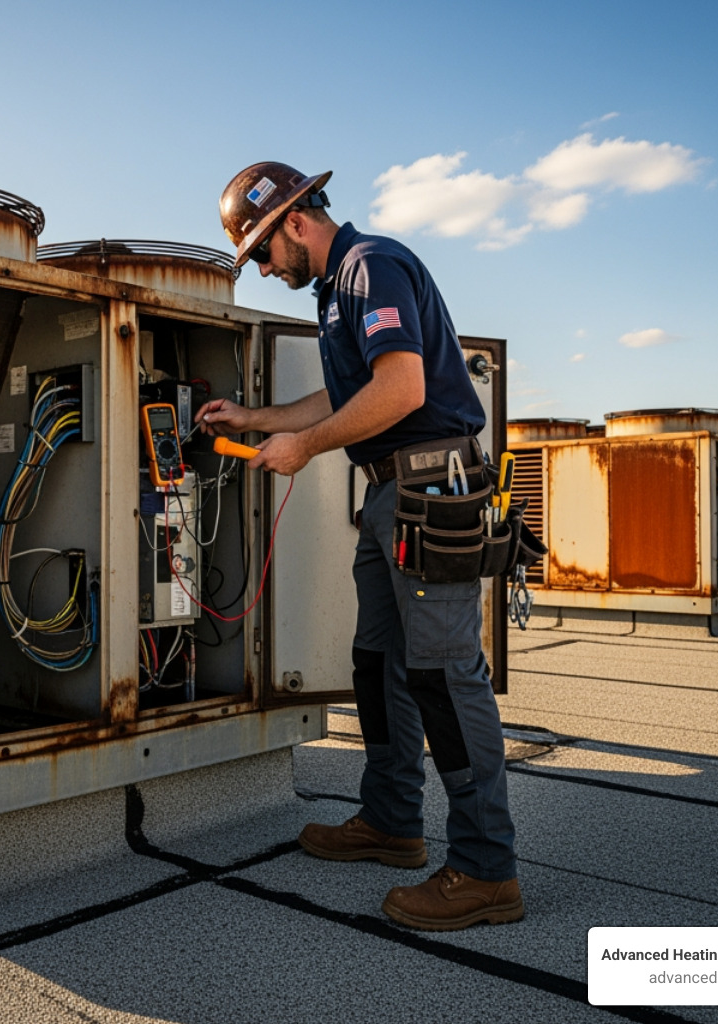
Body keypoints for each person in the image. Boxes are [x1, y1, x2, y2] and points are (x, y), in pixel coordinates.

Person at [195, 162, 523, 931]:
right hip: (389, 496)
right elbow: (348, 398)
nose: (267, 272)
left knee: (445, 676)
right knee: (379, 663)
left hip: (428, 493)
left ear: (294, 221)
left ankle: (486, 869)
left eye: (264, 255)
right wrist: (256, 419)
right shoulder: (335, 291)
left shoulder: (369, 267)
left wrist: (304, 447)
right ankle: (392, 822)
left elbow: (403, 391)